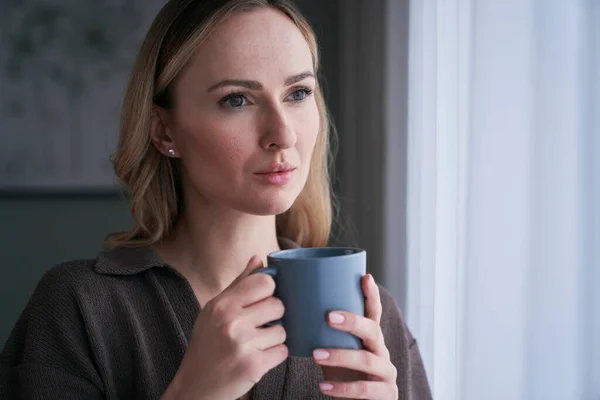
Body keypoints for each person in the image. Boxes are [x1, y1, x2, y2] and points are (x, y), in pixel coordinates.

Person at [0, 0, 432, 399]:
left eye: (298, 93)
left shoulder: (373, 319)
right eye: (237, 100)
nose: (283, 134)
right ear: (165, 131)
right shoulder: (78, 309)